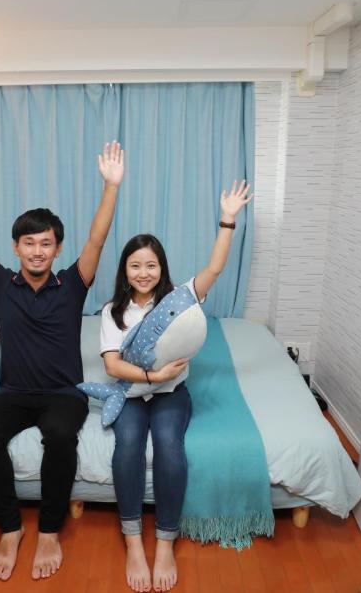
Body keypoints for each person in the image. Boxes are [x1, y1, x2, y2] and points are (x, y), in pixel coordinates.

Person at [0, 130, 125, 581]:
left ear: (56, 249)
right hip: (14, 392)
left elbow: (97, 240)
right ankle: (10, 527)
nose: (37, 251)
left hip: (64, 393)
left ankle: (50, 530)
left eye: (45, 244)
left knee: (60, 437)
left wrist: (111, 186)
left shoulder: (72, 284)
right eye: (28, 243)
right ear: (17, 248)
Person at [99, 180, 253, 592]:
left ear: (162, 269)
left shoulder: (180, 299)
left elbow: (215, 269)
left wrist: (228, 219)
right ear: (124, 270)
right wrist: (153, 376)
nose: (143, 273)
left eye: (151, 265)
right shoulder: (112, 312)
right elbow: (112, 364)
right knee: (128, 446)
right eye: (135, 265)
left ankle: (165, 543)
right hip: (132, 394)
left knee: (169, 445)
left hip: (171, 395)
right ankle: (134, 543)